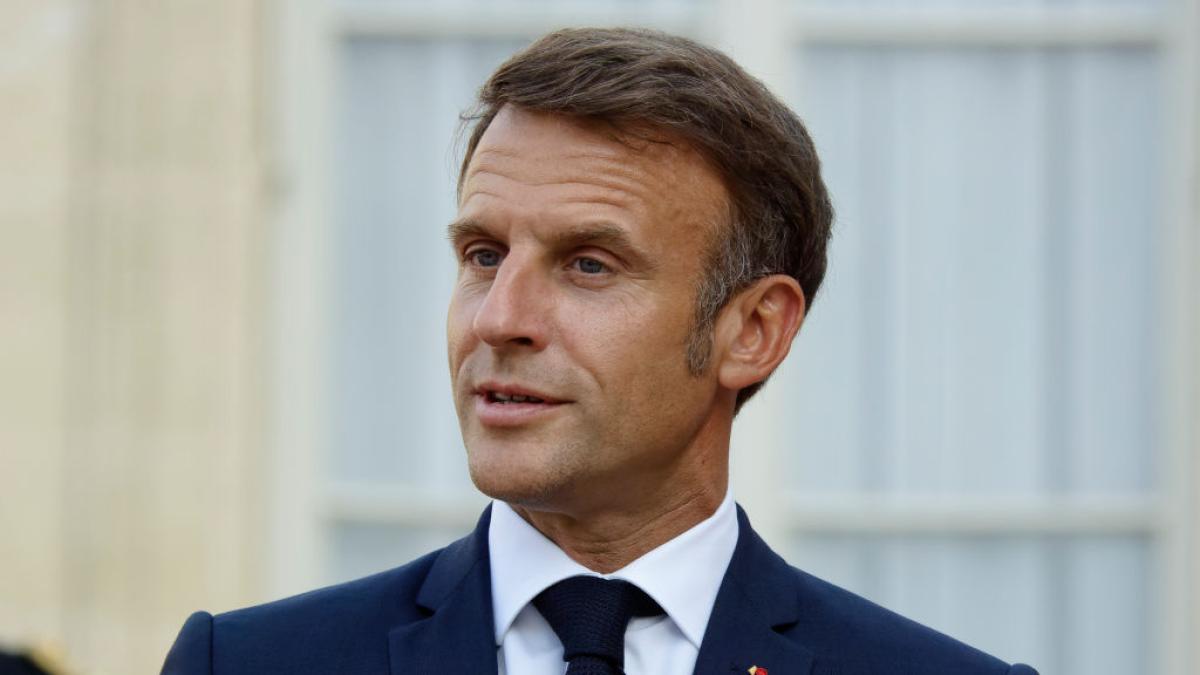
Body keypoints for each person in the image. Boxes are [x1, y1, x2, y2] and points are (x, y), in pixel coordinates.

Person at [162, 27, 1039, 675]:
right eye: (483, 255)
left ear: (753, 330)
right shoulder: (242, 663)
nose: (499, 318)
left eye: (588, 264)